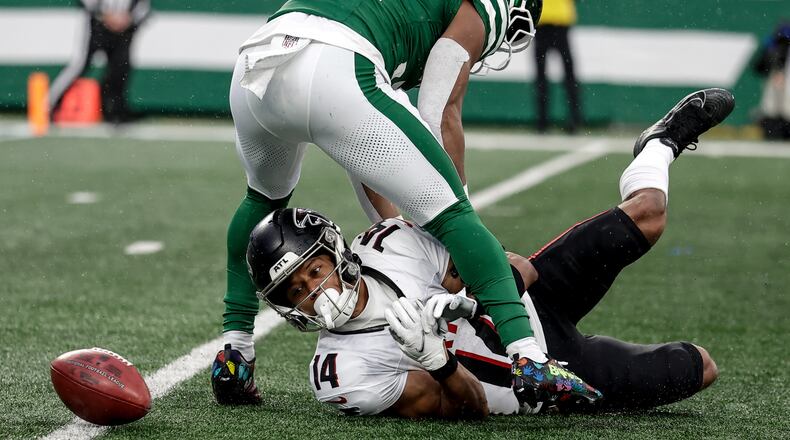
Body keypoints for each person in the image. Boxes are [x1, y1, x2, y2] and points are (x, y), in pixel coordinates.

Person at [241, 88, 734, 417]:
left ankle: (658, 145)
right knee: (701, 366)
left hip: (527, 305)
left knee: (648, 214)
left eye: (314, 272)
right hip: (547, 376)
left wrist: (469, 300)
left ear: (335, 253)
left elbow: (519, 269)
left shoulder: (388, 244)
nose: (314, 292)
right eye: (295, 290)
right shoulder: (340, 373)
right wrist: (435, 358)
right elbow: (470, 409)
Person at [214, 0, 554, 405]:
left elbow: (363, 148)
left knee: (260, 199)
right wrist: (453, 225)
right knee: (456, 216)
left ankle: (234, 353)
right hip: (334, 62)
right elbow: (438, 107)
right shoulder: (486, 7)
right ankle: (528, 356)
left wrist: (394, 231)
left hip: (258, 66)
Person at [49, 0, 150, 124]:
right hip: (96, 24)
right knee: (79, 65)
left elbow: (143, 7)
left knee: (120, 68)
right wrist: (105, 14)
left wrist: (129, 19)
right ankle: (49, 105)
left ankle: (115, 111)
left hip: (124, 28)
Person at [533, 0, 581, 133]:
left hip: (544, 19)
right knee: (568, 75)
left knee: (542, 76)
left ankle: (542, 122)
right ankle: (574, 120)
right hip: (559, 20)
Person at [753, 21, 790, 140]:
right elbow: (759, 67)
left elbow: (758, 67)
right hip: (774, 94)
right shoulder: (772, 47)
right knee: (772, 108)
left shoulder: (772, 47)